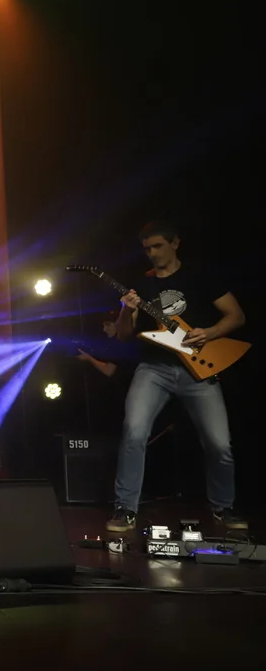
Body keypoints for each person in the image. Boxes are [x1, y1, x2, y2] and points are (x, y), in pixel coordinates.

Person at [106, 220, 247, 532]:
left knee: (219, 444)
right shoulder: (140, 285)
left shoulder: (199, 276)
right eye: (147, 248)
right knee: (133, 432)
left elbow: (236, 316)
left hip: (198, 369)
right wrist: (125, 310)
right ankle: (125, 508)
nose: (153, 253)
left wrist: (209, 333)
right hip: (153, 368)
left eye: (158, 246)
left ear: (175, 243)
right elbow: (124, 336)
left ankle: (223, 507)